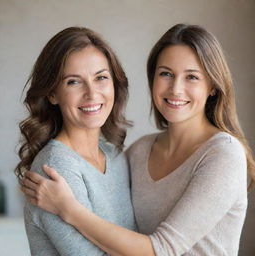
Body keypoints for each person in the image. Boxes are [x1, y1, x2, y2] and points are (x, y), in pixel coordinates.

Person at [21, 24, 255, 256]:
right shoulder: (136, 153)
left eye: (192, 77)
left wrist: (69, 209)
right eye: (166, 74)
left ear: (213, 85)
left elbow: (161, 249)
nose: (176, 89)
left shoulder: (223, 154)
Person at [16, 27, 136, 256]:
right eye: (73, 82)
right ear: (52, 94)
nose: (92, 94)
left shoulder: (114, 155)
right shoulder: (55, 167)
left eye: (101, 77)